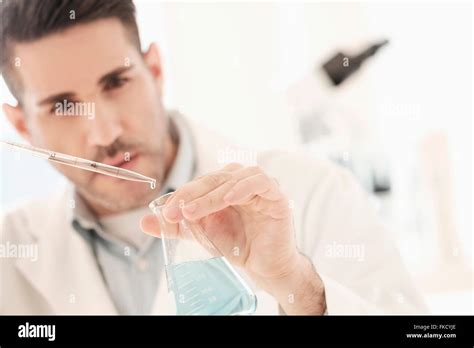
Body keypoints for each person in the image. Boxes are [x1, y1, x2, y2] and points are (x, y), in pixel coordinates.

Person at [0, 0, 427, 315]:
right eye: (62, 106)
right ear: (20, 126)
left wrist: (303, 290)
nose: (106, 131)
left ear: (155, 70)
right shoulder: (9, 254)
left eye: (116, 82)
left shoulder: (314, 193)